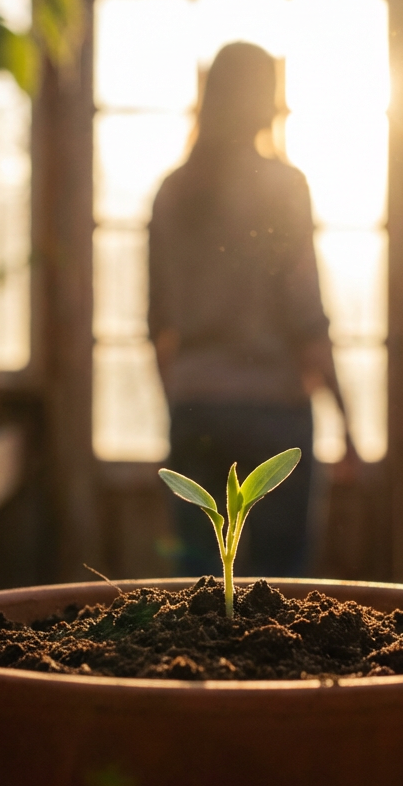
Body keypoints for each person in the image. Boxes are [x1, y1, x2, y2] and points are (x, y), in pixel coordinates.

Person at [148, 41, 355, 579]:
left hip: (197, 407)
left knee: (197, 589)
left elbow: (156, 322)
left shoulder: (173, 191)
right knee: (280, 593)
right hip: (275, 410)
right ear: (265, 102)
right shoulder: (285, 186)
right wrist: (348, 422)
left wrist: (179, 401)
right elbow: (306, 313)